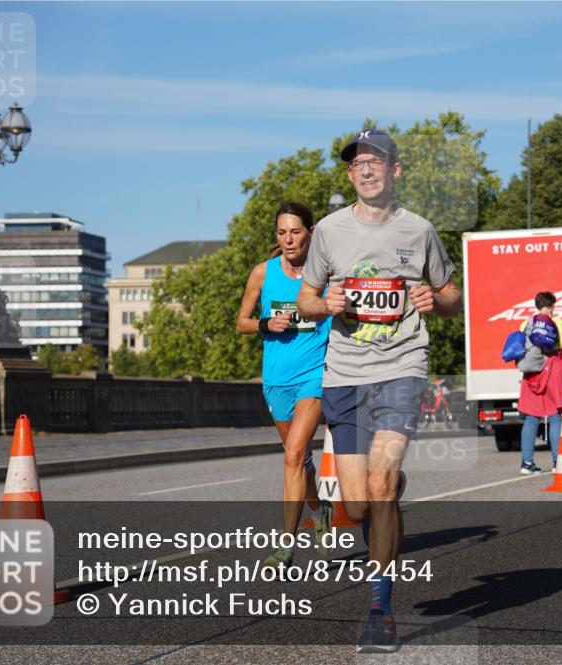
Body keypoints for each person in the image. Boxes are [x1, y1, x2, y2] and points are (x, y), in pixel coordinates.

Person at [297, 129, 461, 653]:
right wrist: (328, 304)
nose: (366, 169)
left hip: (401, 367)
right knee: (357, 506)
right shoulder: (327, 231)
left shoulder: (419, 230)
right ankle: (385, 488)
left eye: (376, 161)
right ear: (350, 175)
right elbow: (305, 300)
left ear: (395, 171)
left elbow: (453, 293)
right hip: (344, 374)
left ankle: (380, 606)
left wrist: (438, 300)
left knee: (382, 484)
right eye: (358, 163)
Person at [236, 202, 333, 568]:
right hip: (276, 379)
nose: (288, 239)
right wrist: (265, 325)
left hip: (315, 375)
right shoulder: (263, 273)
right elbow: (241, 321)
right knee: (301, 460)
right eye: (282, 232)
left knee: (293, 455)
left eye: (295, 231)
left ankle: (284, 547)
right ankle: (319, 507)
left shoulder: (324, 273)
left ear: (310, 232)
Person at [517, 292, 562, 475]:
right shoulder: (556, 323)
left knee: (531, 418)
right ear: (551, 306)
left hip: (532, 374)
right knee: (555, 415)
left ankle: (526, 463)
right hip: (553, 370)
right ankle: (558, 462)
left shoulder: (526, 323)